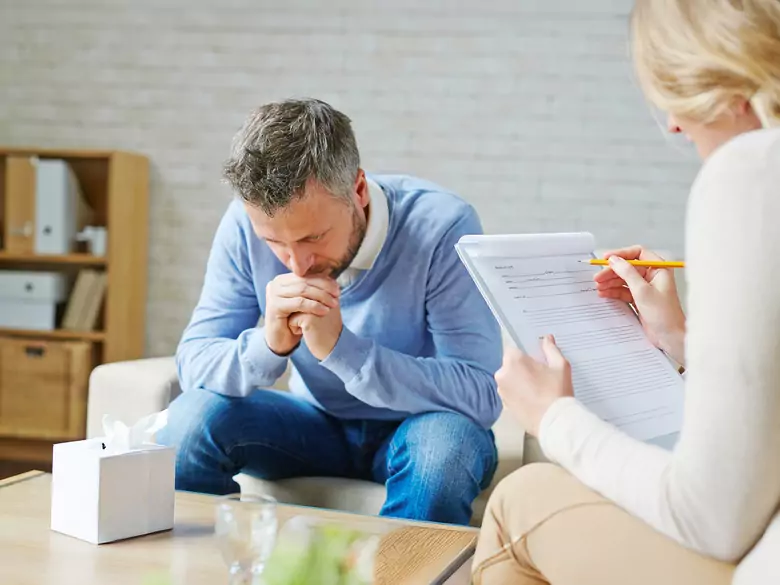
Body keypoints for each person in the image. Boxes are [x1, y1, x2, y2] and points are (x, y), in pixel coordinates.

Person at [472, 0, 780, 583]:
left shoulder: (751, 171)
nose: (675, 125)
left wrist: (554, 416)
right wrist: (680, 339)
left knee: (518, 498)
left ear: (726, 79)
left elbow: (712, 516)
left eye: (676, 93)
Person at [158, 98, 502, 526]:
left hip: (420, 425)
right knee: (189, 422)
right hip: (313, 425)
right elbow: (194, 361)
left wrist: (343, 351)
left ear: (358, 190)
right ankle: (222, 561)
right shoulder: (244, 224)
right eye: (274, 243)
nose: (296, 264)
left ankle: (392, 565)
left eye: (313, 238)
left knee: (442, 453)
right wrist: (268, 344)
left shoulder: (441, 226)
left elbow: (480, 392)